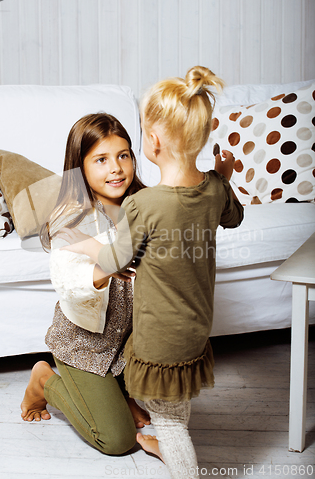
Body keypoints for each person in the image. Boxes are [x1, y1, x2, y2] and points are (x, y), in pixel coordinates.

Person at [59, 66, 244, 477]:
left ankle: (176, 456)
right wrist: (224, 178)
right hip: (195, 332)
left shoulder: (143, 206)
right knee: (175, 406)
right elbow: (233, 216)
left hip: (158, 341)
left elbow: (114, 262)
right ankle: (141, 419)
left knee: (173, 427)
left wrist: (80, 242)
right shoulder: (214, 190)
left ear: (153, 142)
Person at [20, 113, 150, 456]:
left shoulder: (143, 205)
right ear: (80, 166)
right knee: (118, 440)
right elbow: (69, 280)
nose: (116, 169)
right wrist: (104, 267)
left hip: (127, 340)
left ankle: (121, 392)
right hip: (85, 343)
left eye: (123, 155)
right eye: (102, 160)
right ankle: (44, 380)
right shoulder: (71, 217)